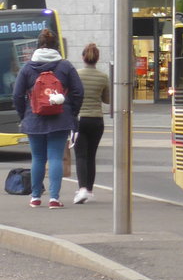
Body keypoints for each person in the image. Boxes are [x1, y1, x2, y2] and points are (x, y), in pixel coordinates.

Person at [12, 27, 84, 209]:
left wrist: (24, 114)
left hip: (33, 118)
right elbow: (78, 91)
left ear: (38, 45)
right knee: (55, 158)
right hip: (60, 118)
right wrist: (72, 112)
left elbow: (17, 95)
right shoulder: (65, 66)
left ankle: (35, 197)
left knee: (37, 158)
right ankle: (54, 198)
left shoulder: (27, 67)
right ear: (56, 46)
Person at [73, 42, 111, 204]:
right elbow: (107, 100)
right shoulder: (103, 77)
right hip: (97, 120)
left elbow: (72, 96)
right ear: (97, 59)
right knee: (91, 156)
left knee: (80, 155)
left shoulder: (76, 75)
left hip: (80, 119)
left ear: (83, 57)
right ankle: (89, 190)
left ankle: (81, 189)